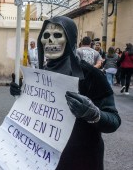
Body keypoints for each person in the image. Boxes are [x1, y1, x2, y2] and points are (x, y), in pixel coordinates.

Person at [10, 16, 121, 170]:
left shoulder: (90, 75)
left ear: (70, 39)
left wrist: (93, 114)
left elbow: (114, 121)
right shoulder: (39, 77)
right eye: (46, 35)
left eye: (57, 35)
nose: (50, 41)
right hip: (47, 159)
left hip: (83, 160)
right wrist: (21, 93)